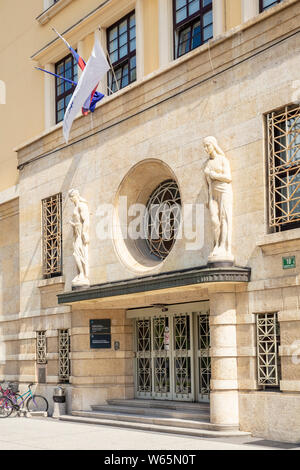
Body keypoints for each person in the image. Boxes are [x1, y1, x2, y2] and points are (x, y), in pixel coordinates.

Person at [204, 136, 234, 262]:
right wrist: (208, 197)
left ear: (213, 145)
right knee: (214, 220)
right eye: (204, 146)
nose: (206, 149)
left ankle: (223, 246)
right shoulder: (206, 163)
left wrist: (214, 175)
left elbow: (228, 177)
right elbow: (206, 184)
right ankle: (216, 244)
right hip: (212, 193)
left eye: (207, 145)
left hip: (224, 190)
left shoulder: (223, 159)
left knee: (224, 218)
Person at [69, 189, 90, 287]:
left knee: (77, 254)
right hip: (76, 233)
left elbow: (86, 220)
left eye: (72, 196)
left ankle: (82, 274)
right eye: (70, 197)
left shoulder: (81, 206)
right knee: (76, 253)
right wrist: (73, 224)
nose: (71, 199)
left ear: (76, 195)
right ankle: (80, 273)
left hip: (80, 233)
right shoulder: (76, 207)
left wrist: (84, 233)